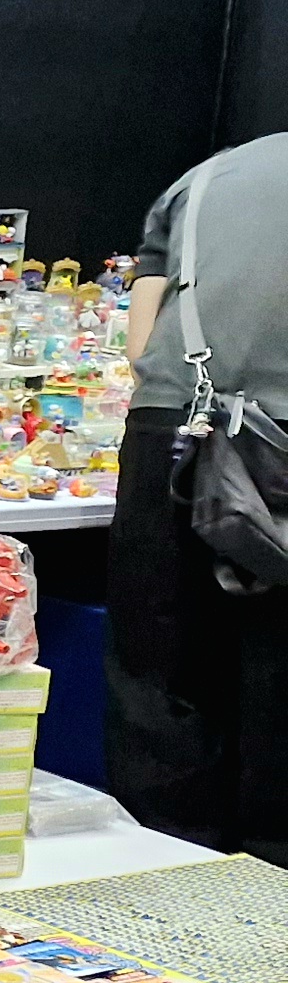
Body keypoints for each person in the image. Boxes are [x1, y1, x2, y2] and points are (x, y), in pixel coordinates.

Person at [116, 129, 288, 853]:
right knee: (275, 673)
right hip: (279, 438)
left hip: (173, 426)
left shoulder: (209, 175)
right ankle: (268, 884)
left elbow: (139, 343)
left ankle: (165, 864)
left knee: (159, 669)